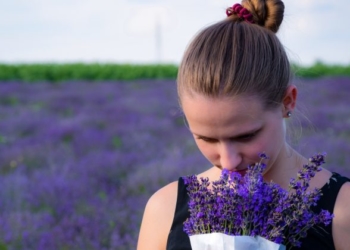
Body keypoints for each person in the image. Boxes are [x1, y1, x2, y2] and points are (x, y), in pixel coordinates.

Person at [137, 0, 350, 249]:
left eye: (245, 136)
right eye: (207, 138)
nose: (228, 162)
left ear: (287, 102)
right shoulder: (165, 209)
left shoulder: (343, 208)